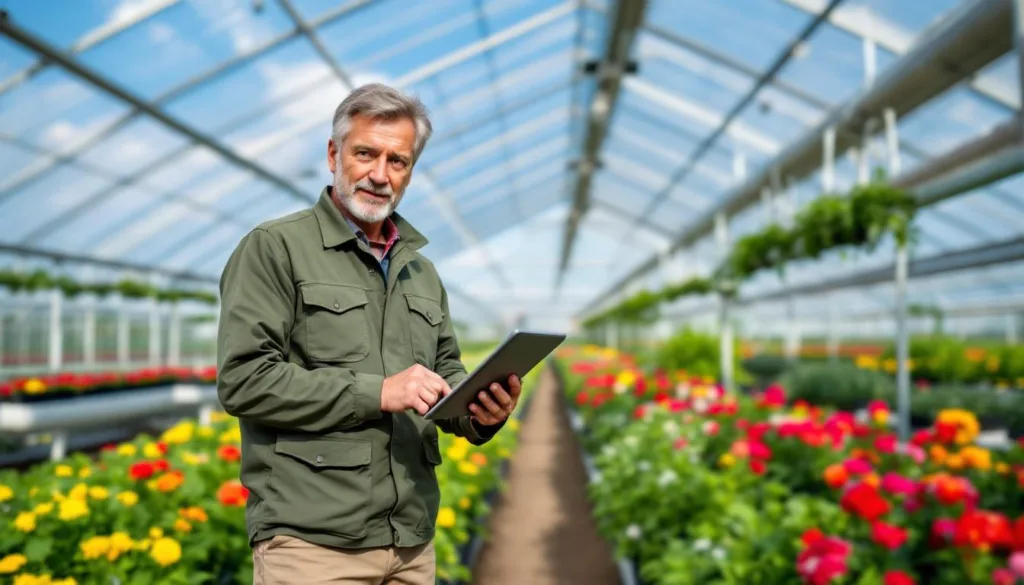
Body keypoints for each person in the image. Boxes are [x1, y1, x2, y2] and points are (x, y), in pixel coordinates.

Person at [216, 83, 521, 585]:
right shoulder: (275, 249)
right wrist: (378, 391)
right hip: (312, 543)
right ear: (335, 154)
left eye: (398, 161)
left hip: (410, 543)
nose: (380, 175)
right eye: (365, 153)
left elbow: (445, 371)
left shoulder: (419, 272)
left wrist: (479, 410)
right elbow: (245, 380)